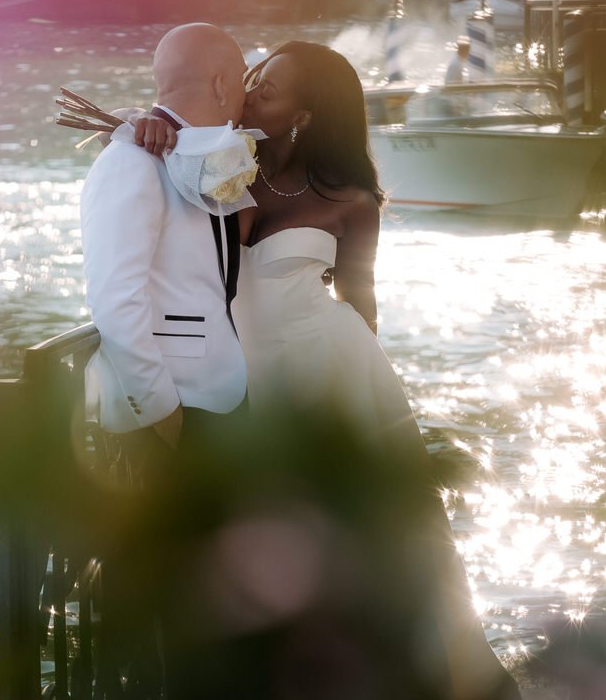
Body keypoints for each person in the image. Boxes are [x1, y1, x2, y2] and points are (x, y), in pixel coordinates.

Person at [128, 41, 521, 700]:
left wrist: (359, 412)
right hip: (233, 377)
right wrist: (152, 124)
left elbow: (361, 308)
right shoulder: (212, 157)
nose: (250, 93)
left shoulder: (351, 200)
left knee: (359, 542)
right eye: (253, 78)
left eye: (269, 89)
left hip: (326, 367)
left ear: (304, 116)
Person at [80, 22, 250, 459]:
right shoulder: (131, 161)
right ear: (221, 84)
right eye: (243, 79)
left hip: (219, 395)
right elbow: (115, 297)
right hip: (173, 408)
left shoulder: (211, 155)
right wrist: (159, 410)